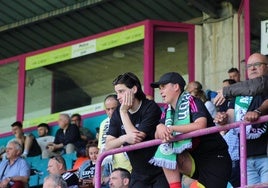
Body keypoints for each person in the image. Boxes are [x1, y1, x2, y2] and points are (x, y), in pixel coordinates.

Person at [150, 72, 231, 188]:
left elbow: (200, 125)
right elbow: (158, 135)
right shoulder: (167, 110)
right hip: (194, 160)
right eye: (159, 88)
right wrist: (160, 127)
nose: (160, 91)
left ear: (176, 87)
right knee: (164, 148)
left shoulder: (193, 101)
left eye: (163, 87)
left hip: (215, 158)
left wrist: (172, 128)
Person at [105, 72, 169, 188]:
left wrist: (124, 112)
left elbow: (136, 139)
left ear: (134, 89)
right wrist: (124, 138)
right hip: (138, 173)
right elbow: (108, 145)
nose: (118, 96)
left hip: (160, 170)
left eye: (121, 91)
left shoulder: (150, 107)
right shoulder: (117, 113)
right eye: (116, 92)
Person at [214, 53, 268, 186]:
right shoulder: (240, 91)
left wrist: (257, 111)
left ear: (267, 67)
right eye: (249, 66)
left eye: (257, 64)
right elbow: (231, 116)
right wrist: (223, 119)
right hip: (246, 156)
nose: (253, 68)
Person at [98, 94, 132, 172]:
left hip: (132, 165)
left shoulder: (128, 117)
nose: (111, 112)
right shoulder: (104, 124)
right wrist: (98, 173)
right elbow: (102, 148)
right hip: (115, 169)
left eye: (113, 108)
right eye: (108, 109)